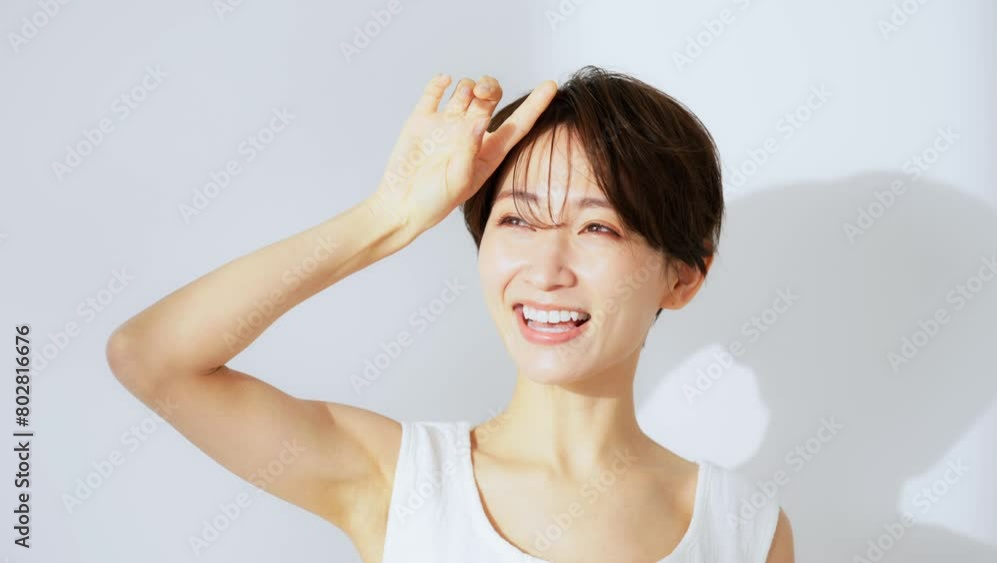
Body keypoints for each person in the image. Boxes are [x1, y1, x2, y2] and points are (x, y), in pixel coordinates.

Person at [106, 65, 794, 562]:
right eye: (517, 220)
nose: (546, 270)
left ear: (683, 276)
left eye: (598, 228)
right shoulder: (398, 478)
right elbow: (150, 358)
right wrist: (388, 217)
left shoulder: (744, 530)